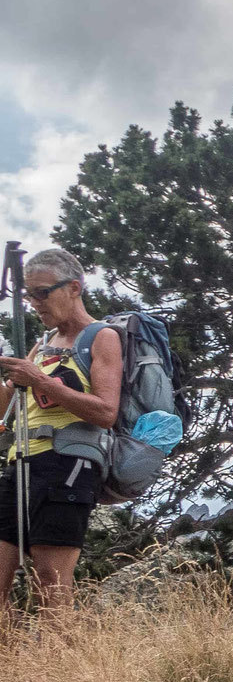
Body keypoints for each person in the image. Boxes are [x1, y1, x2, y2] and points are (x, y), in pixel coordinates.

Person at [0, 248, 122, 616]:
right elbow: (6, 407)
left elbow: (105, 411)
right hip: (18, 464)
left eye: (41, 292)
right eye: (28, 295)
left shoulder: (102, 337)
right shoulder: (42, 344)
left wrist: (39, 379)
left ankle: (71, 672)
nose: (34, 303)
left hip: (68, 465)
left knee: (50, 587)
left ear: (73, 287)